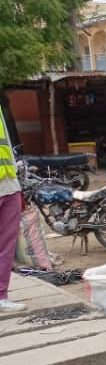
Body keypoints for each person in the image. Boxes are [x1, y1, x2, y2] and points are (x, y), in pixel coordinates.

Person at [0, 103, 27, 313]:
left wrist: (17, 185)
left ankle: (1, 295)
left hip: (8, 185)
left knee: (6, 247)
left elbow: (6, 146)